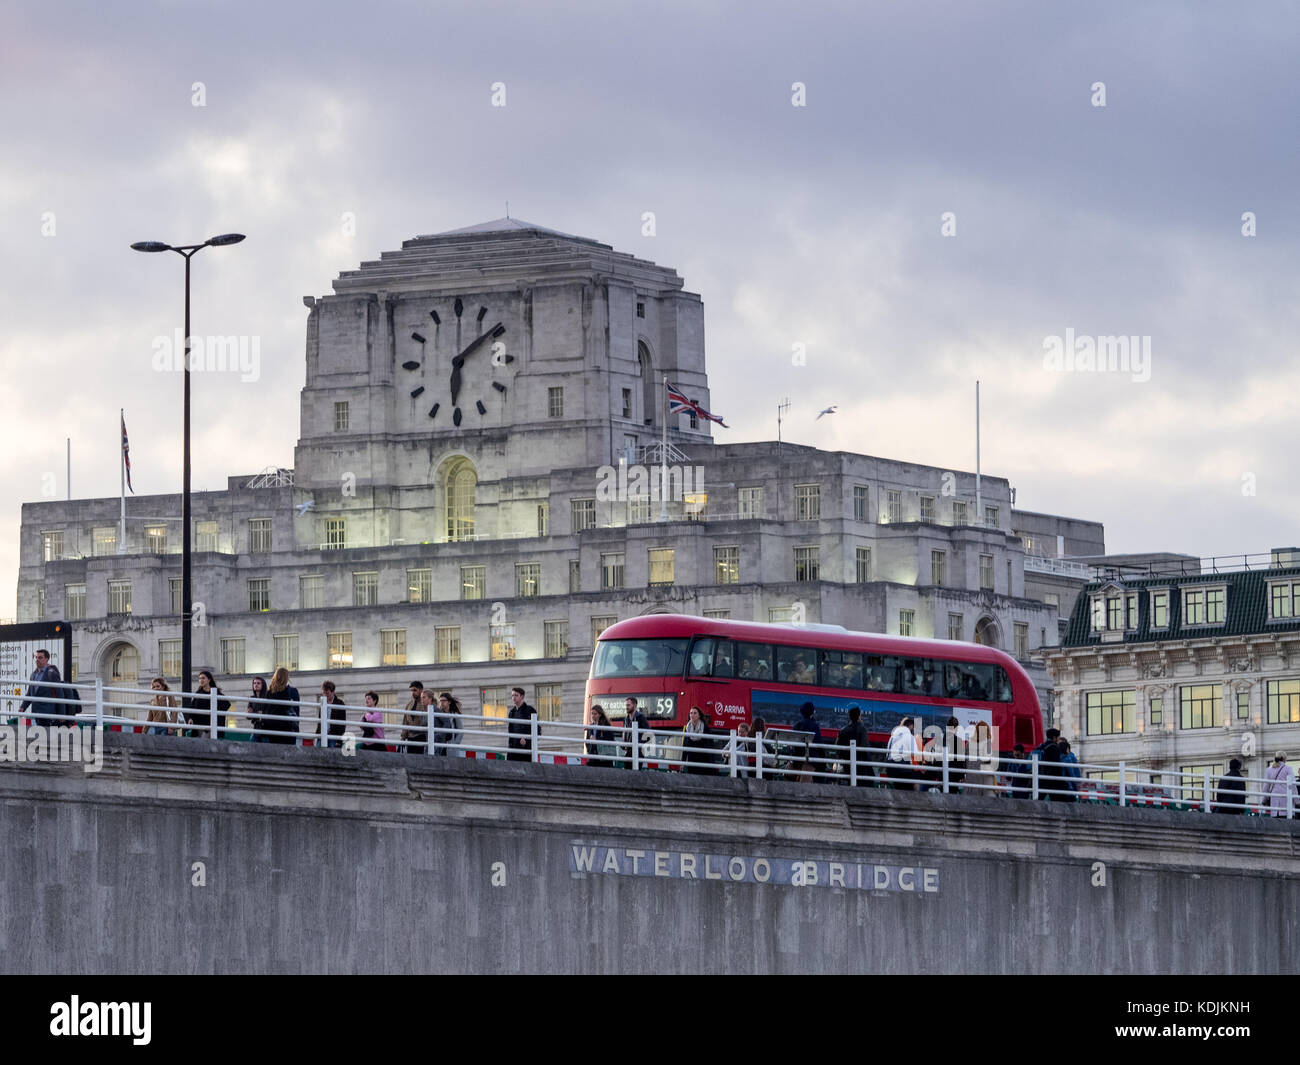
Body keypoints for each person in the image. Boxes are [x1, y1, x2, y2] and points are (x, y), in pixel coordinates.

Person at [19, 648, 64, 725]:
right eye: (36, 657)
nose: (37, 659)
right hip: (35, 715)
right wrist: (23, 707)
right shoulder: (33, 675)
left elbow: (59, 694)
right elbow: (30, 693)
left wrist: (62, 714)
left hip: (48, 715)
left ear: (46, 659)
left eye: (40, 657)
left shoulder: (52, 674)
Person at [182, 670, 231, 738]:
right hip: (198, 726)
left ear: (209, 680)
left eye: (203, 678)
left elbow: (227, 704)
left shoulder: (216, 693)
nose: (201, 680)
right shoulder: (198, 693)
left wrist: (215, 714)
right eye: (199, 678)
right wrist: (191, 718)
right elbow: (192, 707)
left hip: (210, 726)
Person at [261, 667, 301, 744]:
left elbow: (265, 710)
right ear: (287, 678)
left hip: (271, 729)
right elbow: (296, 712)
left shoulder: (269, 693)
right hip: (287, 730)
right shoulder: (292, 692)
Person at [837, 706, 871, 785]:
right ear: (859, 716)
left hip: (846, 765)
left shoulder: (843, 730)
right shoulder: (862, 729)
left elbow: (838, 749)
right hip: (860, 767)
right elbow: (864, 748)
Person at [790, 701, 821, 783]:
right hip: (810, 759)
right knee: (805, 783)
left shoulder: (797, 725)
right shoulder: (815, 726)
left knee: (788, 777)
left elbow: (792, 742)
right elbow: (818, 744)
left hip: (797, 758)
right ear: (812, 713)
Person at [886, 717, 919, 790]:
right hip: (903, 768)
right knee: (909, 789)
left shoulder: (892, 736)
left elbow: (887, 753)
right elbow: (916, 754)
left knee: (898, 788)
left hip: (890, 767)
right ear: (910, 726)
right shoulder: (910, 737)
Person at [507, 686, 538, 761]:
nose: (513, 697)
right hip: (513, 749)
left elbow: (537, 729)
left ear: (522, 697)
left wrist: (527, 741)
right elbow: (510, 731)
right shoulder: (511, 712)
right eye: (512, 695)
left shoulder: (530, 710)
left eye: (516, 695)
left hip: (526, 749)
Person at [1032, 728, 1063, 800]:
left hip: (1041, 775)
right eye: (1058, 737)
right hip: (1052, 777)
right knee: (1057, 799)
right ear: (1054, 737)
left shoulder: (1042, 746)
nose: (1058, 739)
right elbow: (1056, 764)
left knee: (1039, 797)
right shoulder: (1054, 747)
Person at [1264, 752, 1297, 817]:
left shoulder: (1269, 769)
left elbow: (1266, 787)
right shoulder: (1288, 768)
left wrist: (1264, 800)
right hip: (1286, 802)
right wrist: (1297, 801)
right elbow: (1293, 785)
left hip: (1274, 802)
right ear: (1284, 758)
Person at [432, 691, 464, 757]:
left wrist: (455, 743)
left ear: (449, 702)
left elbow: (461, 731)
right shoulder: (438, 714)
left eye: (444, 700)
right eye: (440, 701)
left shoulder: (455, 715)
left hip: (451, 746)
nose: (442, 703)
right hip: (440, 744)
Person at [681, 705, 711, 774]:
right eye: (691, 713)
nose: (692, 715)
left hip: (703, 760)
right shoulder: (687, 728)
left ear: (699, 715)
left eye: (695, 713)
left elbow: (709, 745)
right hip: (691, 759)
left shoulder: (705, 728)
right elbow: (685, 746)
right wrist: (682, 762)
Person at [622, 696, 650, 768]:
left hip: (638, 752)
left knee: (636, 775)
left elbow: (649, 734)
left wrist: (638, 743)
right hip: (628, 750)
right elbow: (624, 732)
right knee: (627, 773)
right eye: (626, 705)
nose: (626, 707)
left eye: (628, 705)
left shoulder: (641, 718)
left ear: (635, 705)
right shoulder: (626, 719)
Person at [318, 680, 347, 749]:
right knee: (317, 753)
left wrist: (339, 739)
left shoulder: (340, 703)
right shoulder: (322, 703)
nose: (325, 695)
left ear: (333, 692)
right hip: (322, 734)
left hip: (334, 735)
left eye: (327, 693)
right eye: (323, 693)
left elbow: (342, 724)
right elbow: (319, 721)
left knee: (333, 755)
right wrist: (317, 735)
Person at [401, 681, 426, 754]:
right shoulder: (409, 704)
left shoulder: (425, 704)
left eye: (415, 690)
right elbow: (405, 722)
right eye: (411, 690)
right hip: (410, 737)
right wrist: (403, 738)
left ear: (421, 690)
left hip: (422, 736)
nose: (412, 692)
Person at [246, 676, 272, 742]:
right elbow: (248, 717)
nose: (256, 685)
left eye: (258, 683)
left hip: (266, 729)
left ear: (263, 685)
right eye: (254, 683)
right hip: (256, 727)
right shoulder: (252, 698)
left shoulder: (267, 697)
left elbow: (269, 712)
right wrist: (249, 713)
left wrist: (259, 714)